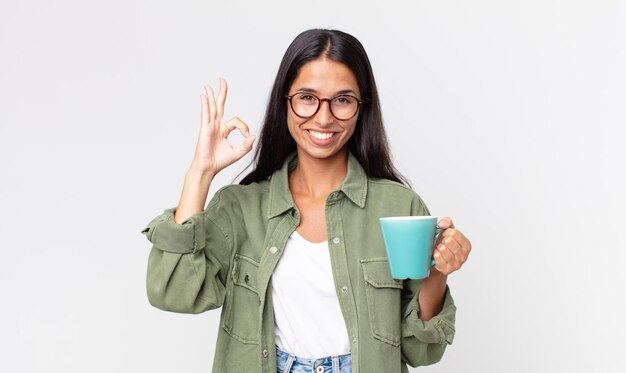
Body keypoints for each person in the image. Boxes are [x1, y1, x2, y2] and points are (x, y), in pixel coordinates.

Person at [141, 28, 472, 373]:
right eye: (307, 98)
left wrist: (438, 273)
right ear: (285, 100)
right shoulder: (241, 208)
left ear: (362, 108)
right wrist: (200, 173)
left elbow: (421, 352)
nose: (324, 116)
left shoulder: (398, 207)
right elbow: (172, 292)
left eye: (342, 100)